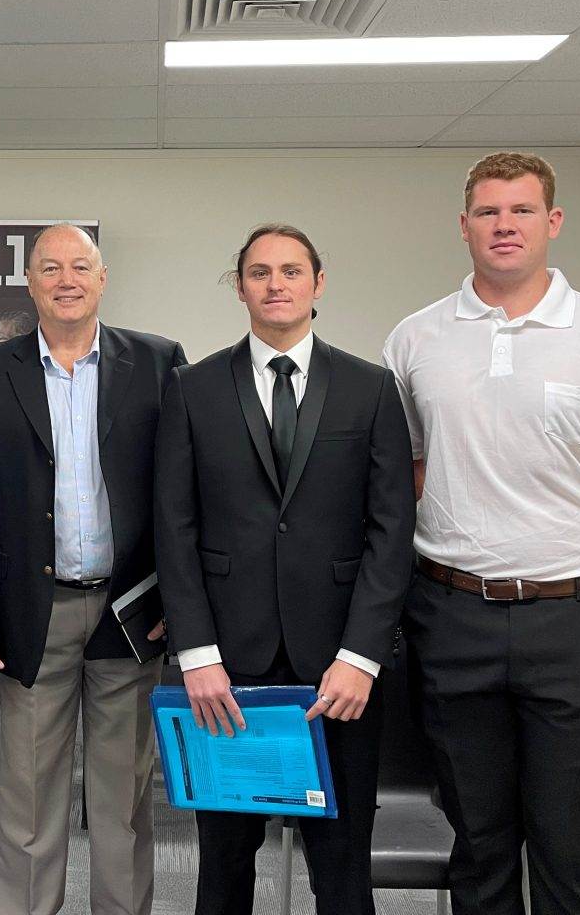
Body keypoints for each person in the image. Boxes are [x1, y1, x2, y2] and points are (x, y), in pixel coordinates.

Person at [383, 152, 580, 915]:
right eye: (488, 212)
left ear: (553, 221)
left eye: (521, 210)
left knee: (570, 854)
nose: (504, 225)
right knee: (478, 850)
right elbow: (409, 469)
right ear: (464, 226)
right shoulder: (414, 339)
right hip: (453, 619)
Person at [154, 224, 416, 915]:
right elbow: (174, 530)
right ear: (240, 287)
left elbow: (391, 532)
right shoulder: (192, 388)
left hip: (339, 668)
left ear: (318, 283)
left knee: (342, 867)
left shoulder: (370, 388)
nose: (276, 285)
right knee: (223, 865)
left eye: (292, 271)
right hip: (225, 669)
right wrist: (196, 655)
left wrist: (361, 657)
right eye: (260, 272)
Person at [0, 222, 185, 915]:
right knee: (28, 801)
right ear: (30, 282)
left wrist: (181, 601)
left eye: (80, 266)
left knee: (123, 803)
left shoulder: (159, 362)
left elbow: (183, 493)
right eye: (50, 267)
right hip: (30, 612)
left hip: (129, 612)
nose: (66, 279)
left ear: (102, 278)